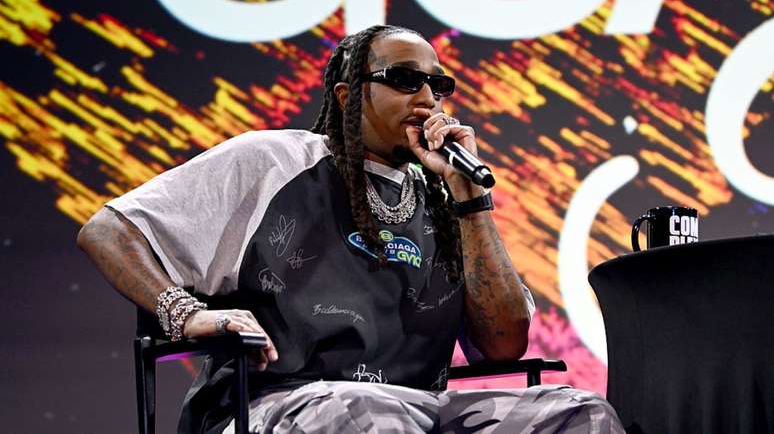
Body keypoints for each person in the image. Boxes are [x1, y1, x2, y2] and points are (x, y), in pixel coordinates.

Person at [77, 24, 624, 433]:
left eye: (438, 85)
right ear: (347, 97)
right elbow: (107, 230)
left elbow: (505, 345)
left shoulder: (445, 200)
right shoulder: (274, 162)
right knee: (368, 415)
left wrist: (470, 200)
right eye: (404, 80)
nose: (427, 98)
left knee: (579, 415)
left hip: (418, 409)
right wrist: (186, 313)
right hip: (276, 404)